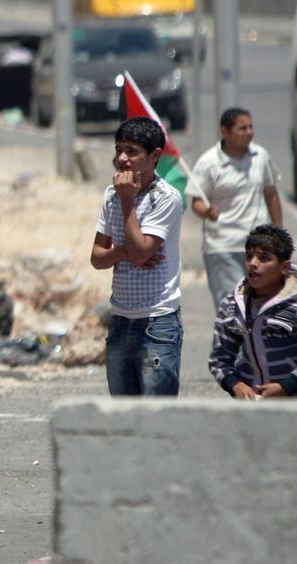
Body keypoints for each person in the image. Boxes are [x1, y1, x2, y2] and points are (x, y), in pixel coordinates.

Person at [91, 116, 184, 396]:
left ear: (154, 156)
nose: (123, 158)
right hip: (120, 320)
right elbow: (97, 257)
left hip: (157, 323)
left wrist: (128, 201)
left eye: (132, 151)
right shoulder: (111, 196)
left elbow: (142, 252)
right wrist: (122, 252)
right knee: (123, 418)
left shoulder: (166, 198)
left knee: (155, 418)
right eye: (119, 149)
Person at [209, 224, 297, 398]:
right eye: (249, 256)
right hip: (253, 407)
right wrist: (235, 385)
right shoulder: (232, 306)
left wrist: (285, 387)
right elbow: (219, 360)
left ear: (284, 267)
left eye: (263, 258)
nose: (253, 263)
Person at [190, 107, 284, 310]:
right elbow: (196, 201)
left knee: (263, 305)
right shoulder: (209, 163)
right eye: (242, 128)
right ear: (224, 131)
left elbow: (271, 194)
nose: (249, 132)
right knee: (232, 307)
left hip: (259, 247)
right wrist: (206, 211)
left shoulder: (261, 156)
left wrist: (280, 234)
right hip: (223, 247)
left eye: (250, 127)